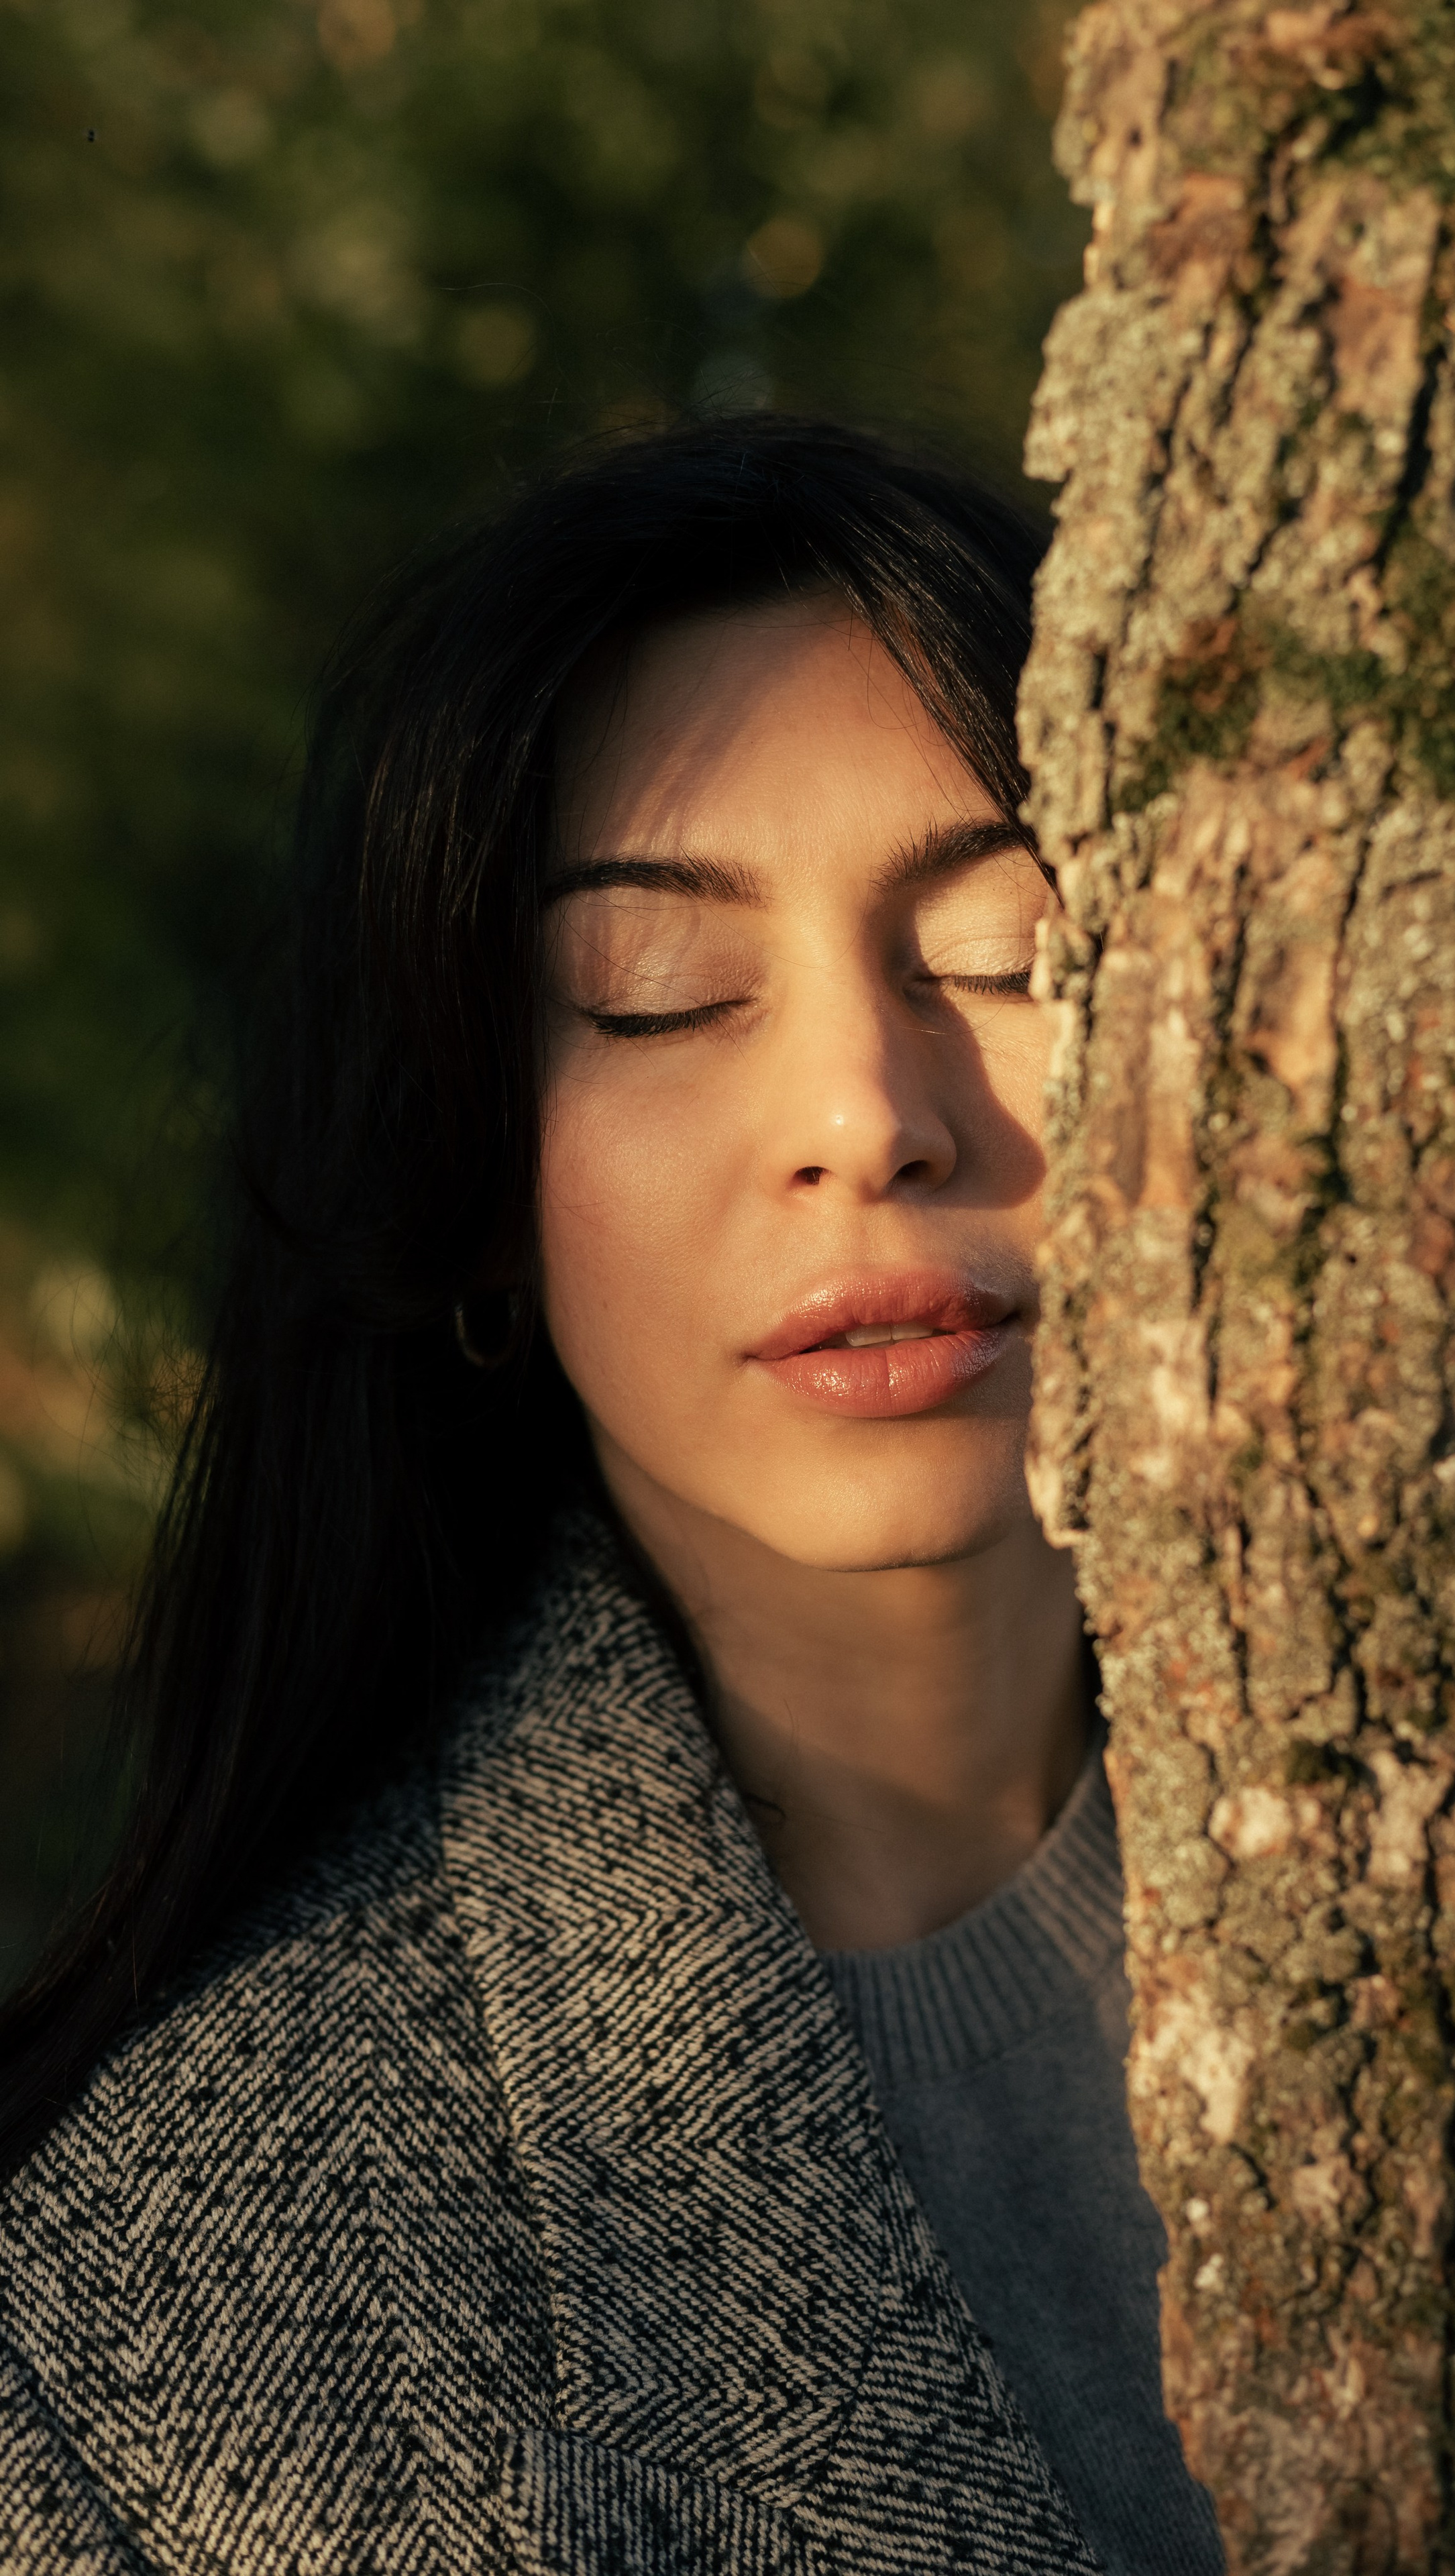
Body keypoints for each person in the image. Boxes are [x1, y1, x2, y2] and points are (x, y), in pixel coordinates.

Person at [0, 419, 1224, 2575]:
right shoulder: (171, 2332)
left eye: (1013, 949)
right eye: (659, 995)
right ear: (483, 1188)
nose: (866, 1113)